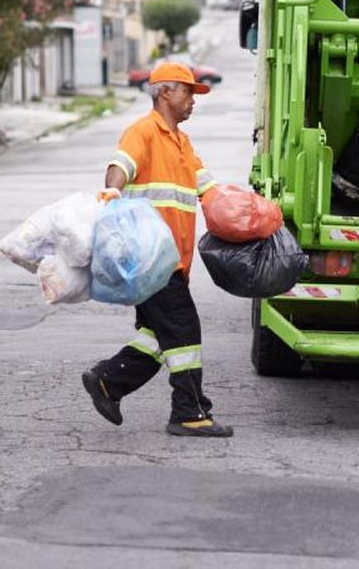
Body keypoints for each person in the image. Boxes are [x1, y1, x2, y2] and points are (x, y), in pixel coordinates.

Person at [81, 62, 232, 437]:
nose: (193, 100)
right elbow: (121, 165)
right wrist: (112, 190)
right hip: (150, 258)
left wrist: (246, 214)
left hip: (173, 261)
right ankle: (189, 411)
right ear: (165, 92)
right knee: (183, 328)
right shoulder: (144, 131)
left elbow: (211, 191)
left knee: (157, 334)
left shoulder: (182, 143)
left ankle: (108, 381)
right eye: (188, 92)